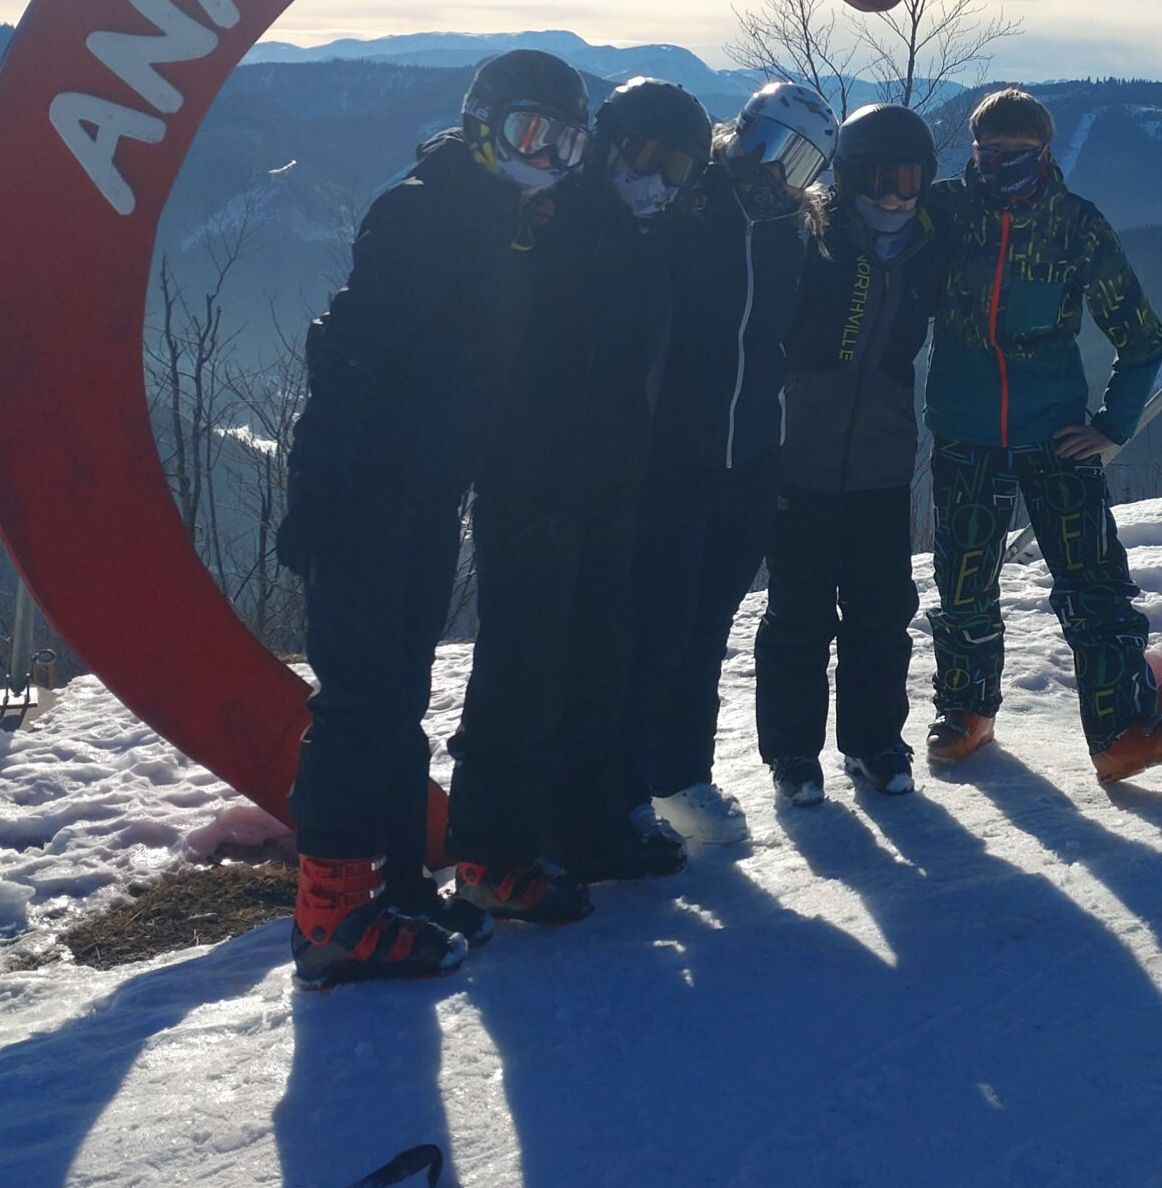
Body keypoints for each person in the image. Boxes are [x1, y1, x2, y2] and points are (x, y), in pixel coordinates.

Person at [277, 48, 591, 987]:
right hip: (371, 493)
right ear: (483, 126)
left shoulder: (503, 220)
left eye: (565, 142)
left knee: (397, 697)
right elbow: (347, 356)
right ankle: (330, 916)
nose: (547, 157)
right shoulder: (429, 211)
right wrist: (320, 489)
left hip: (422, 491)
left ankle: (395, 883)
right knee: (363, 702)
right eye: (531, 134)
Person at [454, 76, 710, 895]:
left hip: (609, 484)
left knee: (598, 663)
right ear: (605, 144)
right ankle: (493, 852)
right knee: (522, 668)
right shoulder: (552, 221)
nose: (659, 181)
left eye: (679, 169)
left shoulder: (648, 239)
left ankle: (582, 827)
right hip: (531, 481)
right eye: (646, 156)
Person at [921, 86, 1162, 781]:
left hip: (1056, 433)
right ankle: (966, 712)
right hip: (965, 430)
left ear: (1044, 152)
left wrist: (1113, 426)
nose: (1000, 165)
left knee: (1094, 582)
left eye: (1016, 153)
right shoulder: (947, 214)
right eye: (988, 153)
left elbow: (1142, 336)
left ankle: (1123, 730)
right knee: (963, 583)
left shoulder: (1077, 226)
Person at [626, 80, 836, 847]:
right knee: (657, 627)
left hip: (748, 459)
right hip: (672, 456)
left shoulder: (790, 232)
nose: (782, 172)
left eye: (804, 161)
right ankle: (627, 787)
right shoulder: (692, 206)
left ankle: (683, 777)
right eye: (774, 148)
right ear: (742, 133)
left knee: (708, 626)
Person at [754, 102, 945, 806]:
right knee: (798, 614)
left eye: (910, 178)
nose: (896, 195)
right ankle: (793, 753)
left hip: (881, 465)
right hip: (800, 458)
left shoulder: (928, 243)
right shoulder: (812, 236)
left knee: (881, 608)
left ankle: (874, 740)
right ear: (849, 176)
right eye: (880, 178)